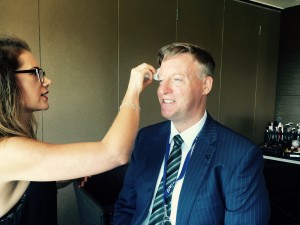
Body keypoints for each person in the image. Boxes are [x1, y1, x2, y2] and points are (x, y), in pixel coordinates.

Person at [0, 34, 156, 225]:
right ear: (7, 81)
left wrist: (74, 169)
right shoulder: (8, 150)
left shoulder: (14, 148)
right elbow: (116, 153)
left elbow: (31, 186)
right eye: (35, 73)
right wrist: (133, 90)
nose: (47, 81)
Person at [113, 42, 270, 225]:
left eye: (177, 79)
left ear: (206, 85)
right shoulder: (146, 138)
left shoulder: (240, 155)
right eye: (161, 80)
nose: (163, 89)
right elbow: (126, 207)